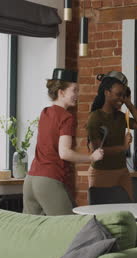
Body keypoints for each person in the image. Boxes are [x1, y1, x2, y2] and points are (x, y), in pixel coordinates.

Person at [24, 68, 104, 216]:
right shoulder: (66, 117)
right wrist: (92, 157)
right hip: (48, 180)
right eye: (74, 90)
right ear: (61, 92)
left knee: (32, 232)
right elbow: (64, 153)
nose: (77, 95)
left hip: (31, 180)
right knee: (70, 227)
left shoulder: (45, 112)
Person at [87, 71, 137, 200]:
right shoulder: (95, 117)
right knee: (102, 214)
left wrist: (129, 103)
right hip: (101, 173)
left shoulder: (120, 117)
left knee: (127, 211)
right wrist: (123, 147)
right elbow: (95, 151)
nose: (121, 99)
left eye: (124, 96)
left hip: (122, 172)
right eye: (119, 95)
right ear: (107, 92)